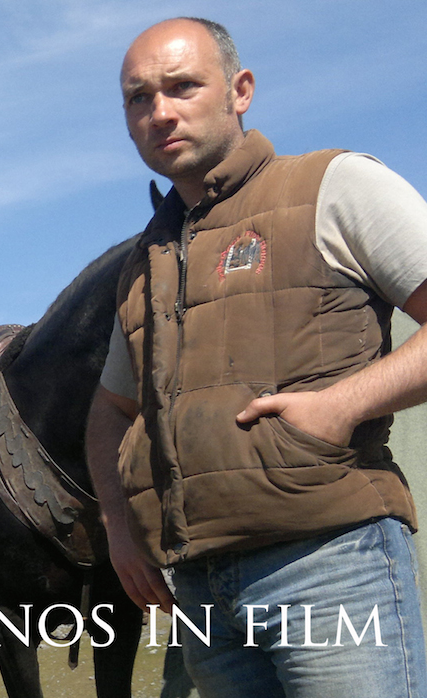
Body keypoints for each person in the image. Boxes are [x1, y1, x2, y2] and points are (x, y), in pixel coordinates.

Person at [86, 17, 427, 697]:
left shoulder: (334, 186)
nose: (160, 112)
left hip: (329, 561)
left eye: (182, 87)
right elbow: (108, 413)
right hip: (201, 590)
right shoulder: (141, 265)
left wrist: (340, 405)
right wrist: (119, 530)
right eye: (138, 98)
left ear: (240, 90)